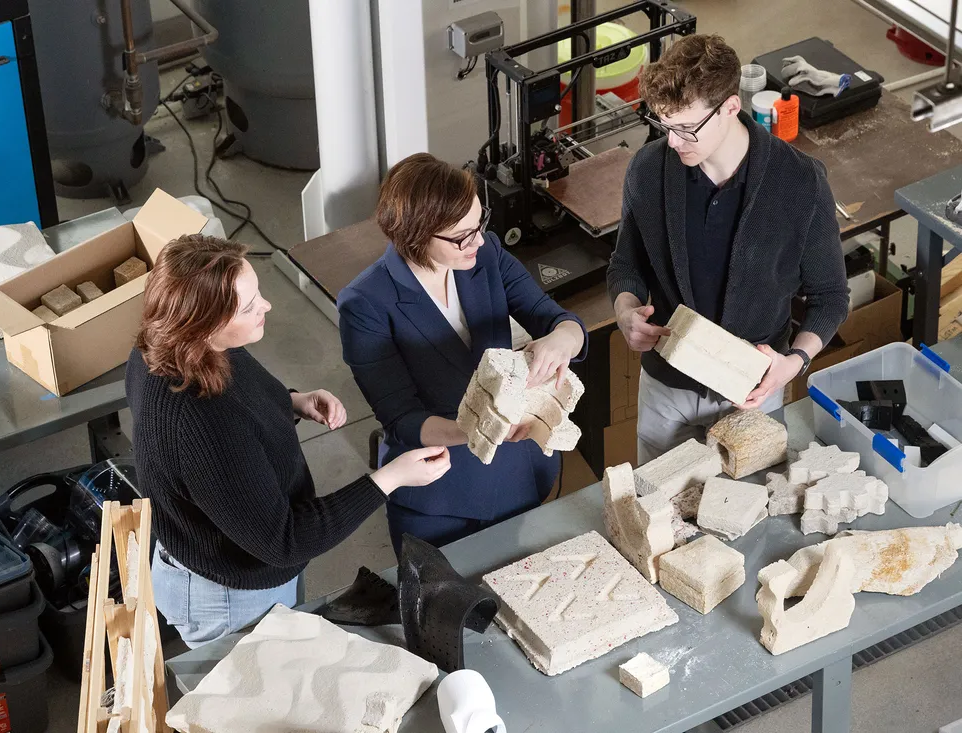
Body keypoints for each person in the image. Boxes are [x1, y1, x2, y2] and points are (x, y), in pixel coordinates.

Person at [126, 234, 451, 647]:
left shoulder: (171, 345)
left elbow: (238, 397)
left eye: (257, 293)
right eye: (249, 307)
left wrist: (291, 403)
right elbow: (284, 541)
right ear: (203, 325)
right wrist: (389, 479)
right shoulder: (203, 421)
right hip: (231, 597)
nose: (267, 306)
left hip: (235, 557)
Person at [607, 34, 849, 465]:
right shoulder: (647, 169)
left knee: (750, 510)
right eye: (665, 126)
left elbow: (830, 298)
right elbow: (627, 263)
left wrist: (794, 363)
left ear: (731, 108)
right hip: (666, 386)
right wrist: (626, 309)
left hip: (752, 391)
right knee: (655, 511)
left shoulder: (799, 183)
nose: (674, 142)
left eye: (686, 128)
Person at [337, 153, 588, 555]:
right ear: (415, 235)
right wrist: (483, 429)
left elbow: (552, 317)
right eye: (460, 237)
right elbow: (401, 418)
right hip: (443, 493)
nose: (476, 240)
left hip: (520, 471)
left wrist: (564, 338)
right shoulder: (366, 303)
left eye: (478, 224)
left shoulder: (484, 252)